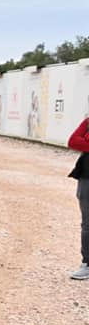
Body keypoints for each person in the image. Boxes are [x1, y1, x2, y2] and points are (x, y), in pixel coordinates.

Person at [67, 116, 89, 280]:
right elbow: (73, 141)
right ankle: (87, 263)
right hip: (86, 178)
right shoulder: (88, 122)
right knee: (87, 223)